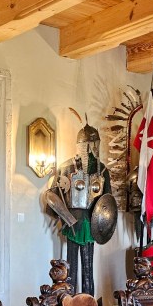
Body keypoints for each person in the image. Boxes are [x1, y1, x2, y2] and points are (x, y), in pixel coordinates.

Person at [43, 122, 113, 296]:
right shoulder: (67, 167)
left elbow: (107, 202)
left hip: (91, 223)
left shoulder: (102, 170)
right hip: (73, 221)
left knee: (87, 269)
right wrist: (66, 216)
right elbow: (52, 195)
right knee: (70, 268)